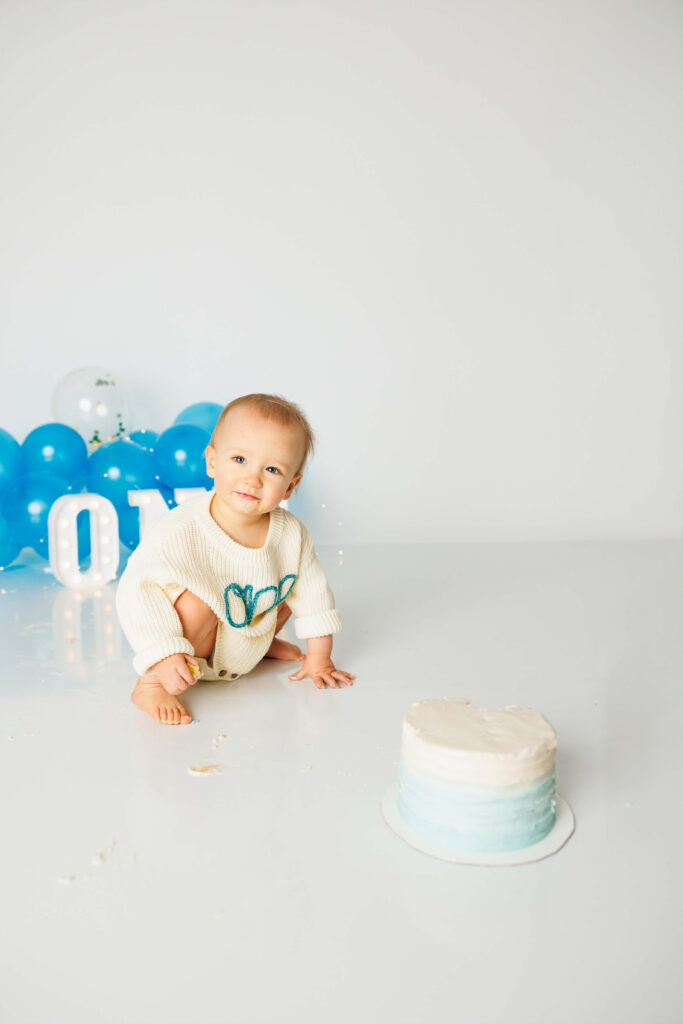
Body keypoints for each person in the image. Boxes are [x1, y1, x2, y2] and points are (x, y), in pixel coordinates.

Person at [116, 393, 354, 725]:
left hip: (239, 636)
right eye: (239, 460)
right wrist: (164, 652)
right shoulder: (180, 531)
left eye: (271, 469)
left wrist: (320, 659)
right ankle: (150, 685)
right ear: (212, 461)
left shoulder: (291, 534)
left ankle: (259, 644)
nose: (252, 479)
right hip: (190, 653)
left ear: (289, 487)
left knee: (287, 582)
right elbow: (136, 590)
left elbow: (316, 597)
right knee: (196, 601)